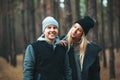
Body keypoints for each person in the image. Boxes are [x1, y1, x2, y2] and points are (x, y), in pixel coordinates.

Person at [61, 16, 102, 80]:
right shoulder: (61, 43)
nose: (74, 31)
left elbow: (95, 74)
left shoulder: (90, 51)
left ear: (82, 34)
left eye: (79, 30)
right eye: (74, 27)